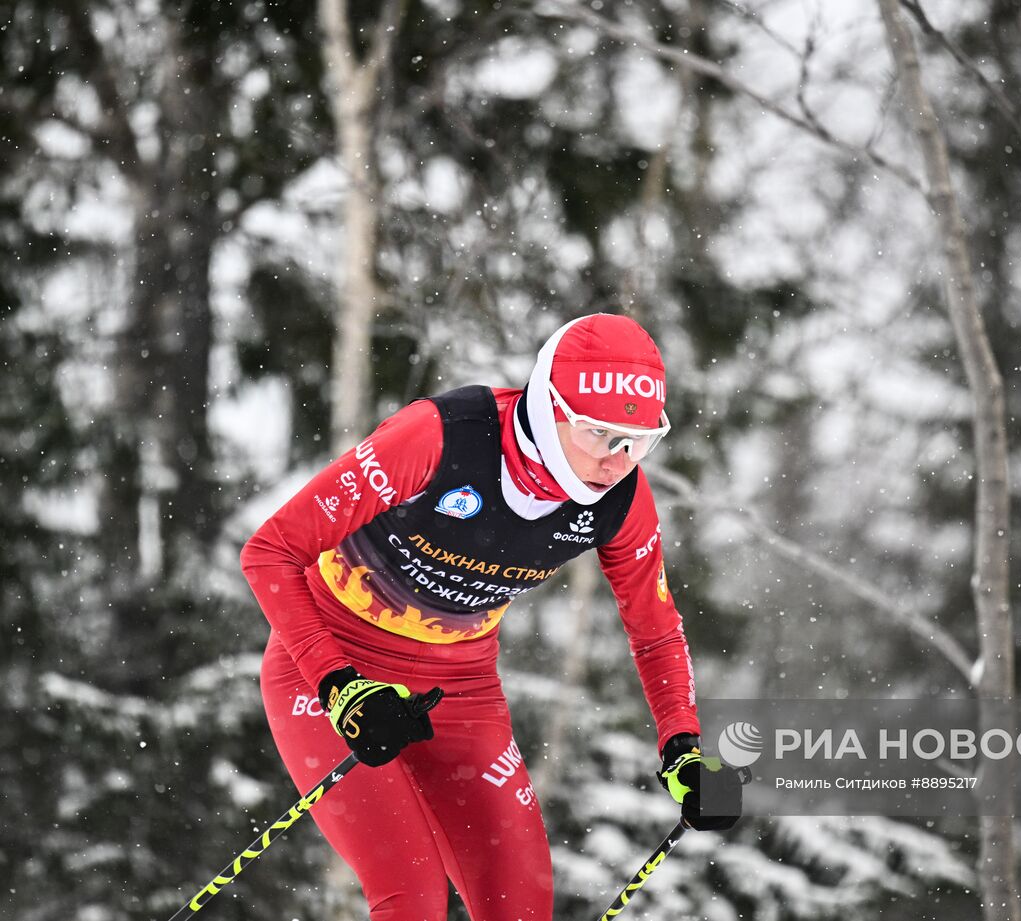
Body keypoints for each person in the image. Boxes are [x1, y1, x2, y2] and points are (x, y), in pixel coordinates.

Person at [241, 314, 743, 921]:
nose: (617, 461)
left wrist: (682, 748)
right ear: (545, 406)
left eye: (639, 443)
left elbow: (655, 626)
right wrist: (338, 685)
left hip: (462, 692)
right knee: (414, 901)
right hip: (327, 670)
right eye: (598, 434)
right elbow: (269, 551)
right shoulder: (439, 438)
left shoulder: (622, 498)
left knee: (520, 906)